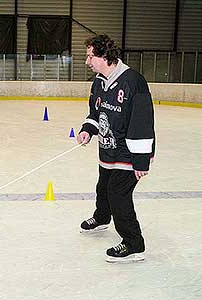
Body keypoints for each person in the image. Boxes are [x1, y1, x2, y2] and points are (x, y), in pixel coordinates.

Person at [77, 34, 155, 263]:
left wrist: (141, 160)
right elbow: (96, 113)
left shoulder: (133, 81)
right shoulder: (99, 82)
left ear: (105, 56)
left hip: (129, 153)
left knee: (118, 194)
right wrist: (87, 130)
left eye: (91, 56)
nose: (87, 61)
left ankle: (133, 244)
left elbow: (142, 122)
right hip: (108, 150)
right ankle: (102, 217)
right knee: (103, 187)